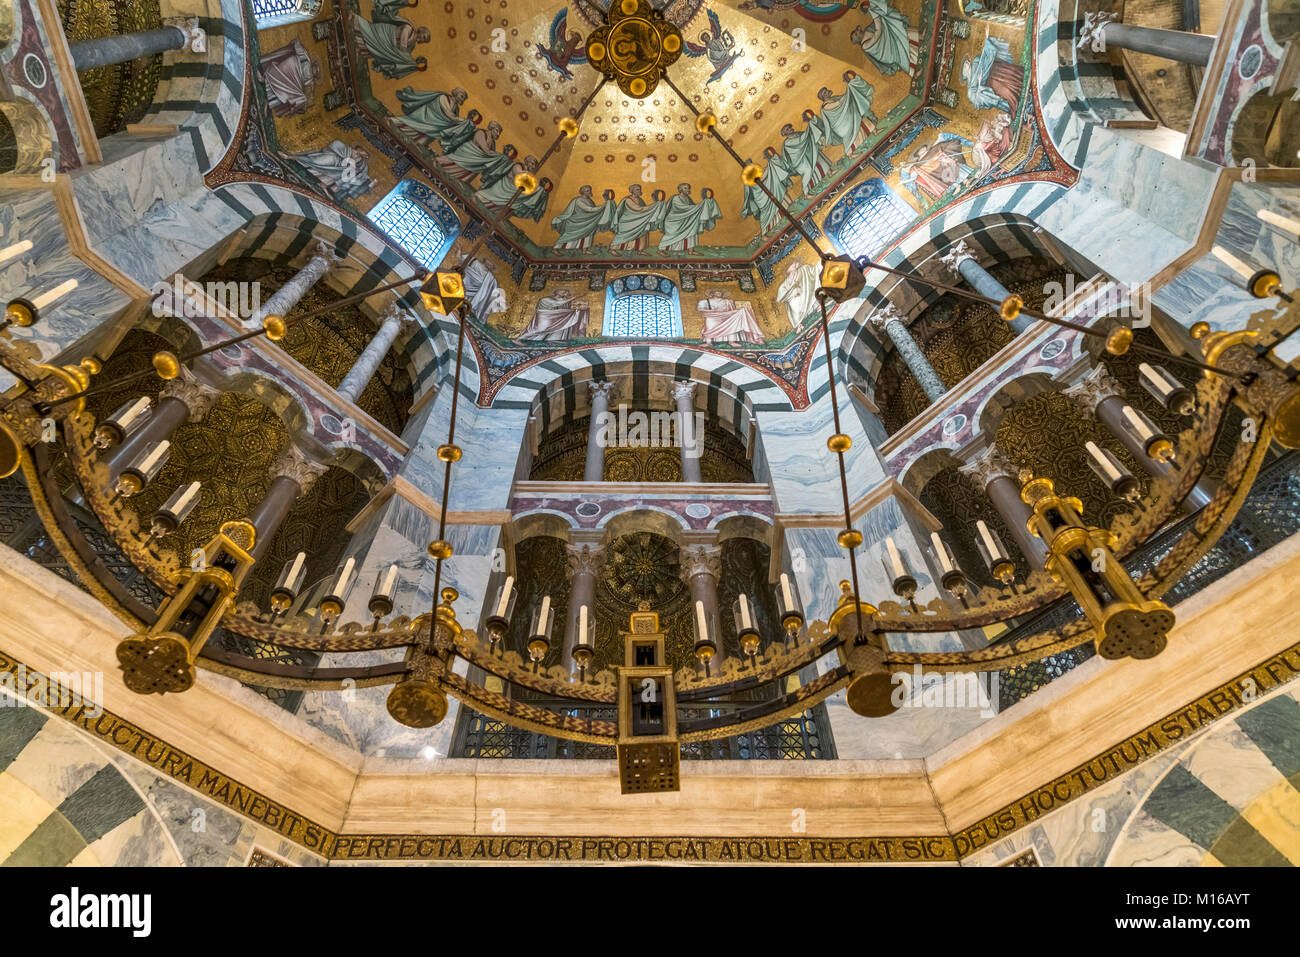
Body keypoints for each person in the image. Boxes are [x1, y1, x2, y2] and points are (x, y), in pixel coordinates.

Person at [352, 0, 430, 80]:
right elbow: (402, 46)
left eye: (424, 40)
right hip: (386, 34)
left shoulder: (412, 45)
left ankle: (357, 49)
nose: (422, 39)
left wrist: (412, 63)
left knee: (380, 53)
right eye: (424, 36)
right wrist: (409, 60)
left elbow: (403, 53)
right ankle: (354, 20)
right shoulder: (409, 28)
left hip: (389, 45)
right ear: (421, 31)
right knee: (369, 34)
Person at [280, 141, 375, 201]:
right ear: (356, 148)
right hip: (334, 159)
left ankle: (325, 187)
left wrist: (366, 178)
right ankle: (290, 157)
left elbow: (363, 172)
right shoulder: (344, 147)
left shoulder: (361, 163)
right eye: (359, 151)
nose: (359, 153)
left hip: (340, 170)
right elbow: (333, 146)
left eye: (363, 154)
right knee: (326, 159)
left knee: (348, 175)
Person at [851, 0, 917, 77]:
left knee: (902, 32)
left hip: (890, 42)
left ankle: (921, 37)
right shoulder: (865, 46)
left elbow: (881, 23)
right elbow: (878, 34)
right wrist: (875, 14)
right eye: (856, 37)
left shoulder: (868, 30)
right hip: (887, 54)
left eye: (856, 33)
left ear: (859, 29)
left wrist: (876, 10)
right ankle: (915, 73)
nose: (857, 35)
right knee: (900, 56)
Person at [962, 32, 1024, 113]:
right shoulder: (970, 90)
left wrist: (988, 40)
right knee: (1007, 93)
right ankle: (1020, 105)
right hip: (991, 85)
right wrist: (980, 84)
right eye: (965, 65)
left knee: (1014, 74)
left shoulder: (976, 61)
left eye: (967, 62)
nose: (968, 64)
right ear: (965, 72)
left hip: (996, 71)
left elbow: (986, 56)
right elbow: (977, 102)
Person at [392, 87, 469, 152]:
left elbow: (452, 121)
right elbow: (448, 113)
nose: (462, 99)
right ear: (456, 93)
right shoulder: (444, 97)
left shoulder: (456, 109)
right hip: (427, 115)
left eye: (463, 98)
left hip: (437, 122)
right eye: (462, 96)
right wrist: (461, 120)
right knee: (421, 126)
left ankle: (418, 144)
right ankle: (393, 122)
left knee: (437, 131)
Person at [261, 39, 320, 117]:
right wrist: (296, 43)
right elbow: (297, 46)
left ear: (316, 75)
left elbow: (307, 88)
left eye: (316, 72)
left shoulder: (311, 80)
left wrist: (309, 96)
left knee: (297, 97)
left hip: (293, 82)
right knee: (290, 91)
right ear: (313, 64)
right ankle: (265, 80)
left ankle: (270, 104)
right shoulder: (307, 59)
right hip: (290, 68)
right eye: (315, 68)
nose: (315, 70)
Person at [658, 184, 722, 253]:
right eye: (685, 188)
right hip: (673, 221)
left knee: (693, 229)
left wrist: (703, 205)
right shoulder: (676, 198)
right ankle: (660, 250)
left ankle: (691, 250)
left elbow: (693, 208)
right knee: (671, 236)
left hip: (685, 219)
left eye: (688, 188)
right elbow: (682, 208)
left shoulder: (687, 198)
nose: (688, 190)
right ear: (680, 190)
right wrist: (699, 206)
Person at [436, 121, 505, 185]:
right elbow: (486, 150)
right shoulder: (481, 133)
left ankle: (459, 180)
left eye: (499, 133)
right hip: (468, 152)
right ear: (491, 128)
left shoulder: (492, 142)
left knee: (479, 165)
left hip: (475, 159)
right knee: (459, 162)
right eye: (497, 130)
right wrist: (499, 156)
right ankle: (438, 162)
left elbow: (489, 155)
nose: (498, 134)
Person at [551, 185, 616, 250]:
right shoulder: (579, 200)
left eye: (590, 190)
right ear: (583, 192)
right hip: (577, 222)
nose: (589, 192)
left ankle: (585, 250)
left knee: (587, 236)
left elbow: (593, 212)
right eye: (587, 191)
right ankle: (555, 249)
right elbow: (589, 209)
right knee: (568, 236)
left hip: (587, 221)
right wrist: (604, 206)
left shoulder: (590, 200)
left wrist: (606, 203)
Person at [517, 287, 590, 342]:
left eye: (566, 292)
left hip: (554, 317)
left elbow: (563, 308)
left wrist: (577, 310)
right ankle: (518, 339)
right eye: (563, 291)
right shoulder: (545, 299)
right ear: (556, 292)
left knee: (562, 324)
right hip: (544, 317)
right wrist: (575, 297)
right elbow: (557, 303)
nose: (565, 293)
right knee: (539, 329)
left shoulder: (563, 301)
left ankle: (553, 339)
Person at [779, 121, 830, 197]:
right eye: (787, 129)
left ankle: (830, 172)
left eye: (790, 127)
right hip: (798, 162)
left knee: (818, 156)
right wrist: (809, 128)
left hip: (806, 156)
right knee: (807, 170)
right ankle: (806, 193)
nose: (790, 129)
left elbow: (808, 137)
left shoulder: (798, 134)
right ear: (785, 133)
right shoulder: (787, 143)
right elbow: (801, 141)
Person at [698, 289, 765, 345]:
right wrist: (712, 311)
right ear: (712, 294)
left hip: (726, 315)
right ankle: (708, 342)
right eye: (716, 292)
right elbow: (701, 310)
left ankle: (732, 341)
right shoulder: (705, 301)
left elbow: (732, 310)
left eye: (720, 293)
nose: (719, 294)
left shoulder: (727, 301)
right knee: (709, 323)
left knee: (732, 323)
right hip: (712, 316)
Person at [609, 184, 665, 252]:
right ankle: (613, 249)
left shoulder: (640, 200)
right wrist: (654, 206)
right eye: (637, 189)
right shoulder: (628, 200)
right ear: (632, 191)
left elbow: (645, 212)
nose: (639, 191)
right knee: (623, 236)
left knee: (644, 226)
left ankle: (640, 250)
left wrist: (655, 206)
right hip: (627, 221)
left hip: (638, 220)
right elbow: (638, 209)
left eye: (640, 189)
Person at [776, 259, 820, 329]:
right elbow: (780, 296)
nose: (795, 265)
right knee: (794, 305)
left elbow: (814, 271)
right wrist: (791, 289)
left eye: (796, 264)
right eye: (793, 265)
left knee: (811, 294)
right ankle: (799, 324)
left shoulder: (803, 270)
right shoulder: (785, 284)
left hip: (806, 294)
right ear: (787, 269)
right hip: (795, 301)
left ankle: (816, 307)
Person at [972, 111, 1012, 176]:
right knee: (996, 159)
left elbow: (994, 139)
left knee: (1005, 134)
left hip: (997, 150)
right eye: (984, 131)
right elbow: (985, 148)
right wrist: (993, 142)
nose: (986, 130)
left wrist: (994, 140)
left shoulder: (987, 136)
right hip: (994, 153)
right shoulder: (980, 144)